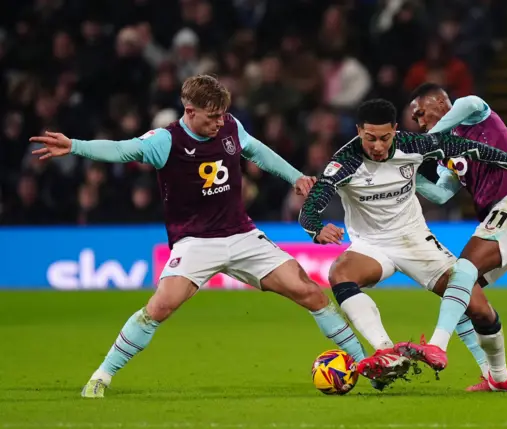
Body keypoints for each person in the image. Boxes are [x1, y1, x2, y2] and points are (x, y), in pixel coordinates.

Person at [30, 75, 393, 398]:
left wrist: (295, 176)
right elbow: (122, 149)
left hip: (242, 234)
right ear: (189, 111)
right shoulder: (164, 140)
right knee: (160, 307)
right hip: (195, 242)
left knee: (311, 292)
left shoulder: (230, 126)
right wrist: (75, 145)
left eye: (222, 115)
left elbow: (257, 151)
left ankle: (366, 366)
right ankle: (102, 376)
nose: (220, 122)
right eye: (212, 117)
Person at [298, 98, 507, 388]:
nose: (378, 146)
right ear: (359, 132)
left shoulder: (413, 144)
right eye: (370, 138)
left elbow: (469, 148)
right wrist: (317, 230)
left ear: (395, 130)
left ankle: (497, 375)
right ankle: (385, 351)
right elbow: (311, 206)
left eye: (385, 138)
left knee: (478, 307)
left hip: (415, 241)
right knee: (340, 274)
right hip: (371, 245)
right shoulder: (344, 162)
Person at [395, 83, 507, 392]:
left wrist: (423, 143)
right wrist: (408, 176)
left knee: (462, 269)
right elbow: (442, 194)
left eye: (420, 112)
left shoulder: (473, 109)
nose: (417, 120)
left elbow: (463, 109)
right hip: (503, 216)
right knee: (466, 297)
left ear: (439, 102)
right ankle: (499, 377)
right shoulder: (449, 152)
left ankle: (437, 345)